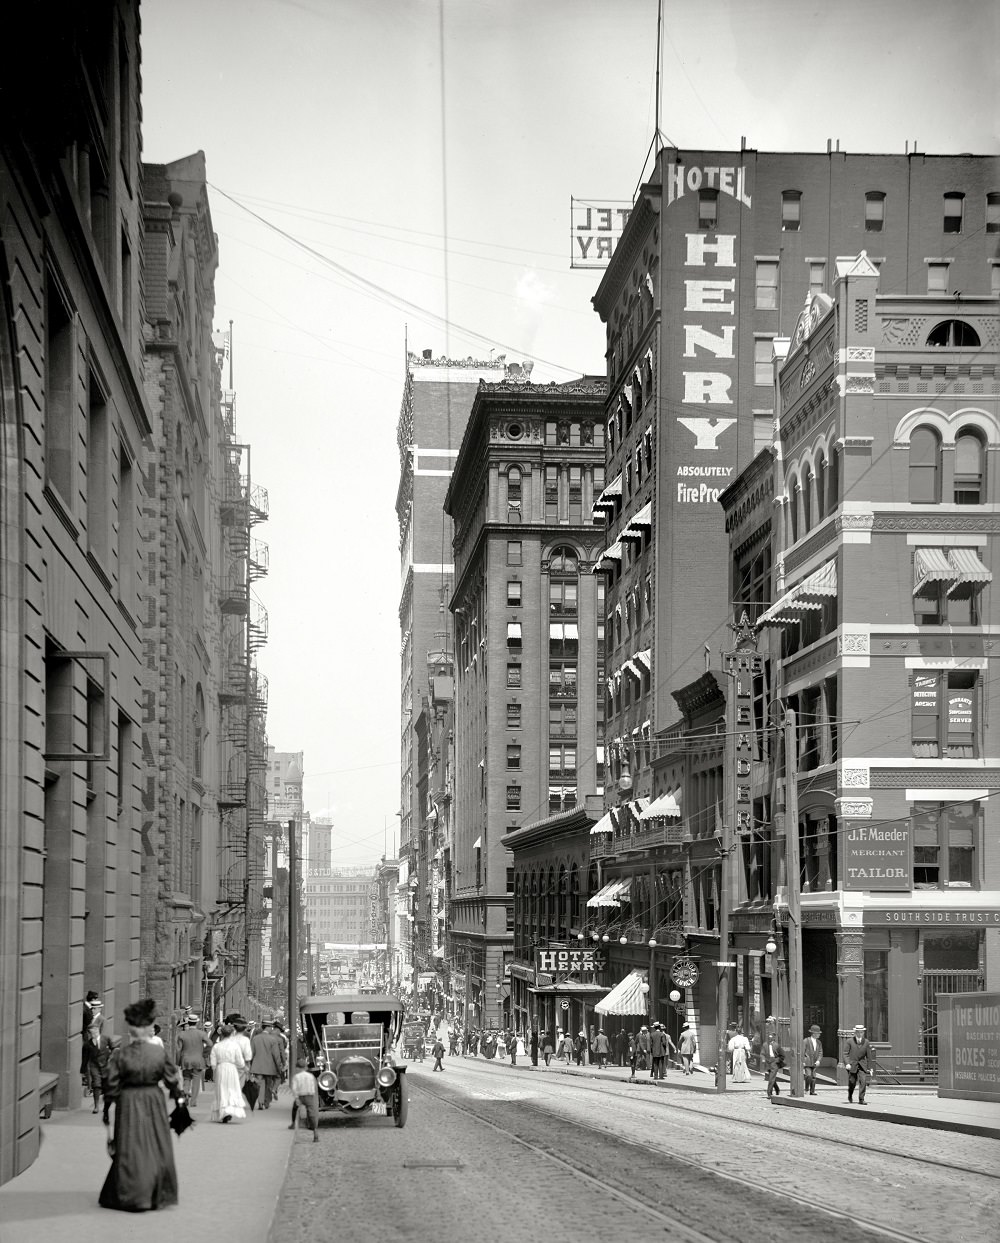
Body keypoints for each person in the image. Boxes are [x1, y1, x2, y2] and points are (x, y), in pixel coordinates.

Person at [99, 997, 186, 1213]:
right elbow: (171, 1080)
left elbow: (110, 1084)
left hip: (127, 1102)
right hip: (153, 1100)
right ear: (148, 1029)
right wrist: (179, 1100)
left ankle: (130, 1193)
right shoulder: (159, 1053)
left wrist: (108, 1108)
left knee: (129, 1144)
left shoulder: (122, 1054)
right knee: (156, 1142)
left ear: (131, 1030)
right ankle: (155, 1192)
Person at [210, 1023, 247, 1123]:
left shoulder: (217, 1046)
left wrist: (215, 1068)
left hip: (221, 1068)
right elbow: (240, 1061)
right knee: (232, 1089)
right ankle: (229, 1110)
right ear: (231, 1034)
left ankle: (222, 1111)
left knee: (221, 1089)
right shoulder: (235, 1046)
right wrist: (243, 1067)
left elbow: (213, 1062)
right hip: (231, 1068)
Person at [250, 1016, 286, 1109]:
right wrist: (279, 1067)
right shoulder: (273, 1040)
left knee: (260, 1084)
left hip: (257, 1066)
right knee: (268, 1085)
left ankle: (260, 1102)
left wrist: (250, 1066)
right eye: (271, 1027)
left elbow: (251, 1053)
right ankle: (266, 1102)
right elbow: (276, 1055)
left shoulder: (255, 1038)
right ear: (268, 1027)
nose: (272, 1029)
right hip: (270, 1067)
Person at [176, 1015, 210, 1107]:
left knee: (186, 1078)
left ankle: (186, 1092)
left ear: (188, 1022)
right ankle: (193, 1101)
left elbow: (178, 1049)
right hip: (198, 1059)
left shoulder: (182, 1034)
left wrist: (178, 1062)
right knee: (196, 1080)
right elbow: (210, 1044)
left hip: (186, 1059)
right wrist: (204, 1054)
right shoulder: (201, 1033)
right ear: (197, 1022)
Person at [288, 1054, 319, 1143]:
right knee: (311, 1114)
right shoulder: (311, 1076)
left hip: (300, 1097)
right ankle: (315, 1131)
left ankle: (293, 1123)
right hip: (309, 1096)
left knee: (295, 1109)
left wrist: (296, 1098)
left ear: (297, 1068)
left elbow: (294, 1089)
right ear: (305, 1067)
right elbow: (313, 1087)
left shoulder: (296, 1077)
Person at [844, 1022, 873, 1105]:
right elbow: (845, 1053)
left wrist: (870, 1068)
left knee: (863, 1081)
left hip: (862, 1065)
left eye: (861, 1032)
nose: (860, 1034)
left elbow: (869, 1056)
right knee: (852, 1082)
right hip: (852, 1065)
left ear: (863, 1033)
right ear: (855, 1033)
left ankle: (861, 1099)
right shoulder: (849, 1041)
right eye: (858, 1032)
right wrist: (847, 1063)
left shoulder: (866, 1042)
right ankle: (850, 1094)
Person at [762, 1021, 784, 1097]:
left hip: (774, 1063)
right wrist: (763, 1059)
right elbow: (762, 1053)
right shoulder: (765, 1045)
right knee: (772, 1078)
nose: (770, 1039)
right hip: (768, 1062)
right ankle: (777, 1089)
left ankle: (769, 1092)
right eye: (769, 1037)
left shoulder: (777, 1045)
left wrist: (777, 1060)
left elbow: (782, 1055)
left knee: (771, 1078)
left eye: (771, 1037)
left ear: (774, 1038)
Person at [803, 1024, 823, 1096]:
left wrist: (818, 1060)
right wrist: (803, 1061)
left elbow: (820, 1052)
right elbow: (803, 1051)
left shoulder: (819, 1042)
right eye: (818, 1033)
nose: (819, 1035)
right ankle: (806, 1088)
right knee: (808, 1075)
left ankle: (812, 1091)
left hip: (814, 1062)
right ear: (814, 1033)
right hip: (807, 1062)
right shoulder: (806, 1041)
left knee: (814, 1077)